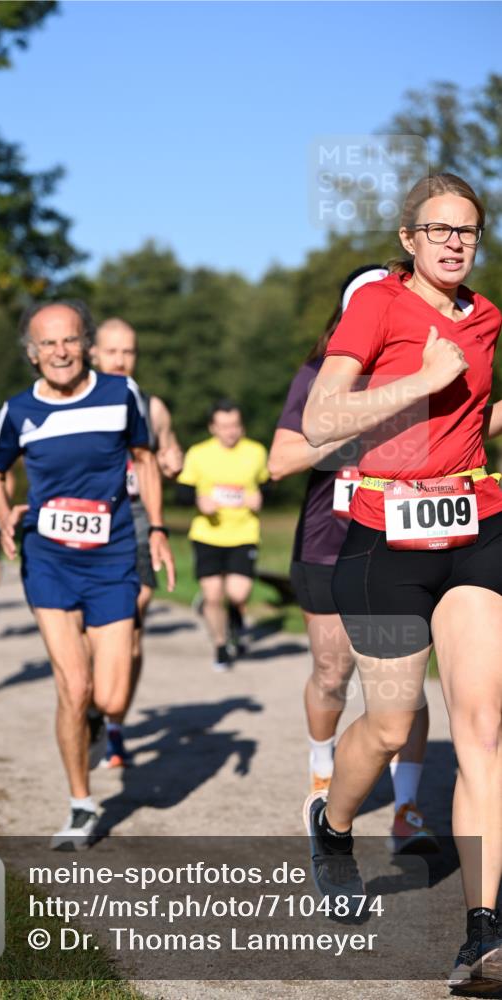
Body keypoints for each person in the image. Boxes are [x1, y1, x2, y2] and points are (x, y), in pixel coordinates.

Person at [301, 174, 502, 986]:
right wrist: (419, 380)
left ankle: (482, 933)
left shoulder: (487, 317)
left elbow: (478, 416)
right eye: (439, 230)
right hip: (381, 542)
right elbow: (319, 420)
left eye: (468, 231)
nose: (454, 243)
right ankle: (334, 826)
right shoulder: (376, 306)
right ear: (408, 237)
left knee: (482, 728)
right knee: (389, 727)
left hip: (474, 530)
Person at [0, 300, 175, 849]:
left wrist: (156, 528)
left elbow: (144, 458)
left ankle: (95, 718)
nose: (60, 352)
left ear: (86, 345)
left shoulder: (120, 395)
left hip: (112, 554)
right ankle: (80, 803)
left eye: (69, 340)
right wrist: (2, 514)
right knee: (74, 684)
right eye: (48, 343)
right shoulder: (18, 410)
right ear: (31, 353)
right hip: (48, 557)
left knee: (111, 697)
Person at [269, 264, 437, 854]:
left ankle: (407, 809)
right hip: (326, 546)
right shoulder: (318, 375)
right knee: (332, 673)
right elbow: (279, 461)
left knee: (407, 687)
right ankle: (322, 772)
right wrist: (360, 426)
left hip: (397, 546)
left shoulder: (422, 370)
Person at [91, 317, 183, 766]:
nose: (121, 360)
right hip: (91, 519)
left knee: (133, 614)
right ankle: (93, 699)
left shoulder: (152, 406)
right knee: (98, 633)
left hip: (138, 518)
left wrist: (173, 459)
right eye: (112, 352)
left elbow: (170, 452)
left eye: (128, 352)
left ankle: (115, 724)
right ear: (94, 355)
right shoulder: (78, 403)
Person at [177, 401, 269, 671]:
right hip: (208, 534)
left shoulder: (255, 452)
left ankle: (231, 616)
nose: (231, 432)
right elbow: (182, 493)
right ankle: (220, 645)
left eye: (236, 426)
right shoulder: (198, 453)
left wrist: (260, 497)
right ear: (212, 428)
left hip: (244, 533)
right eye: (224, 426)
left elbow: (267, 486)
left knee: (238, 593)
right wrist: (198, 500)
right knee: (214, 594)